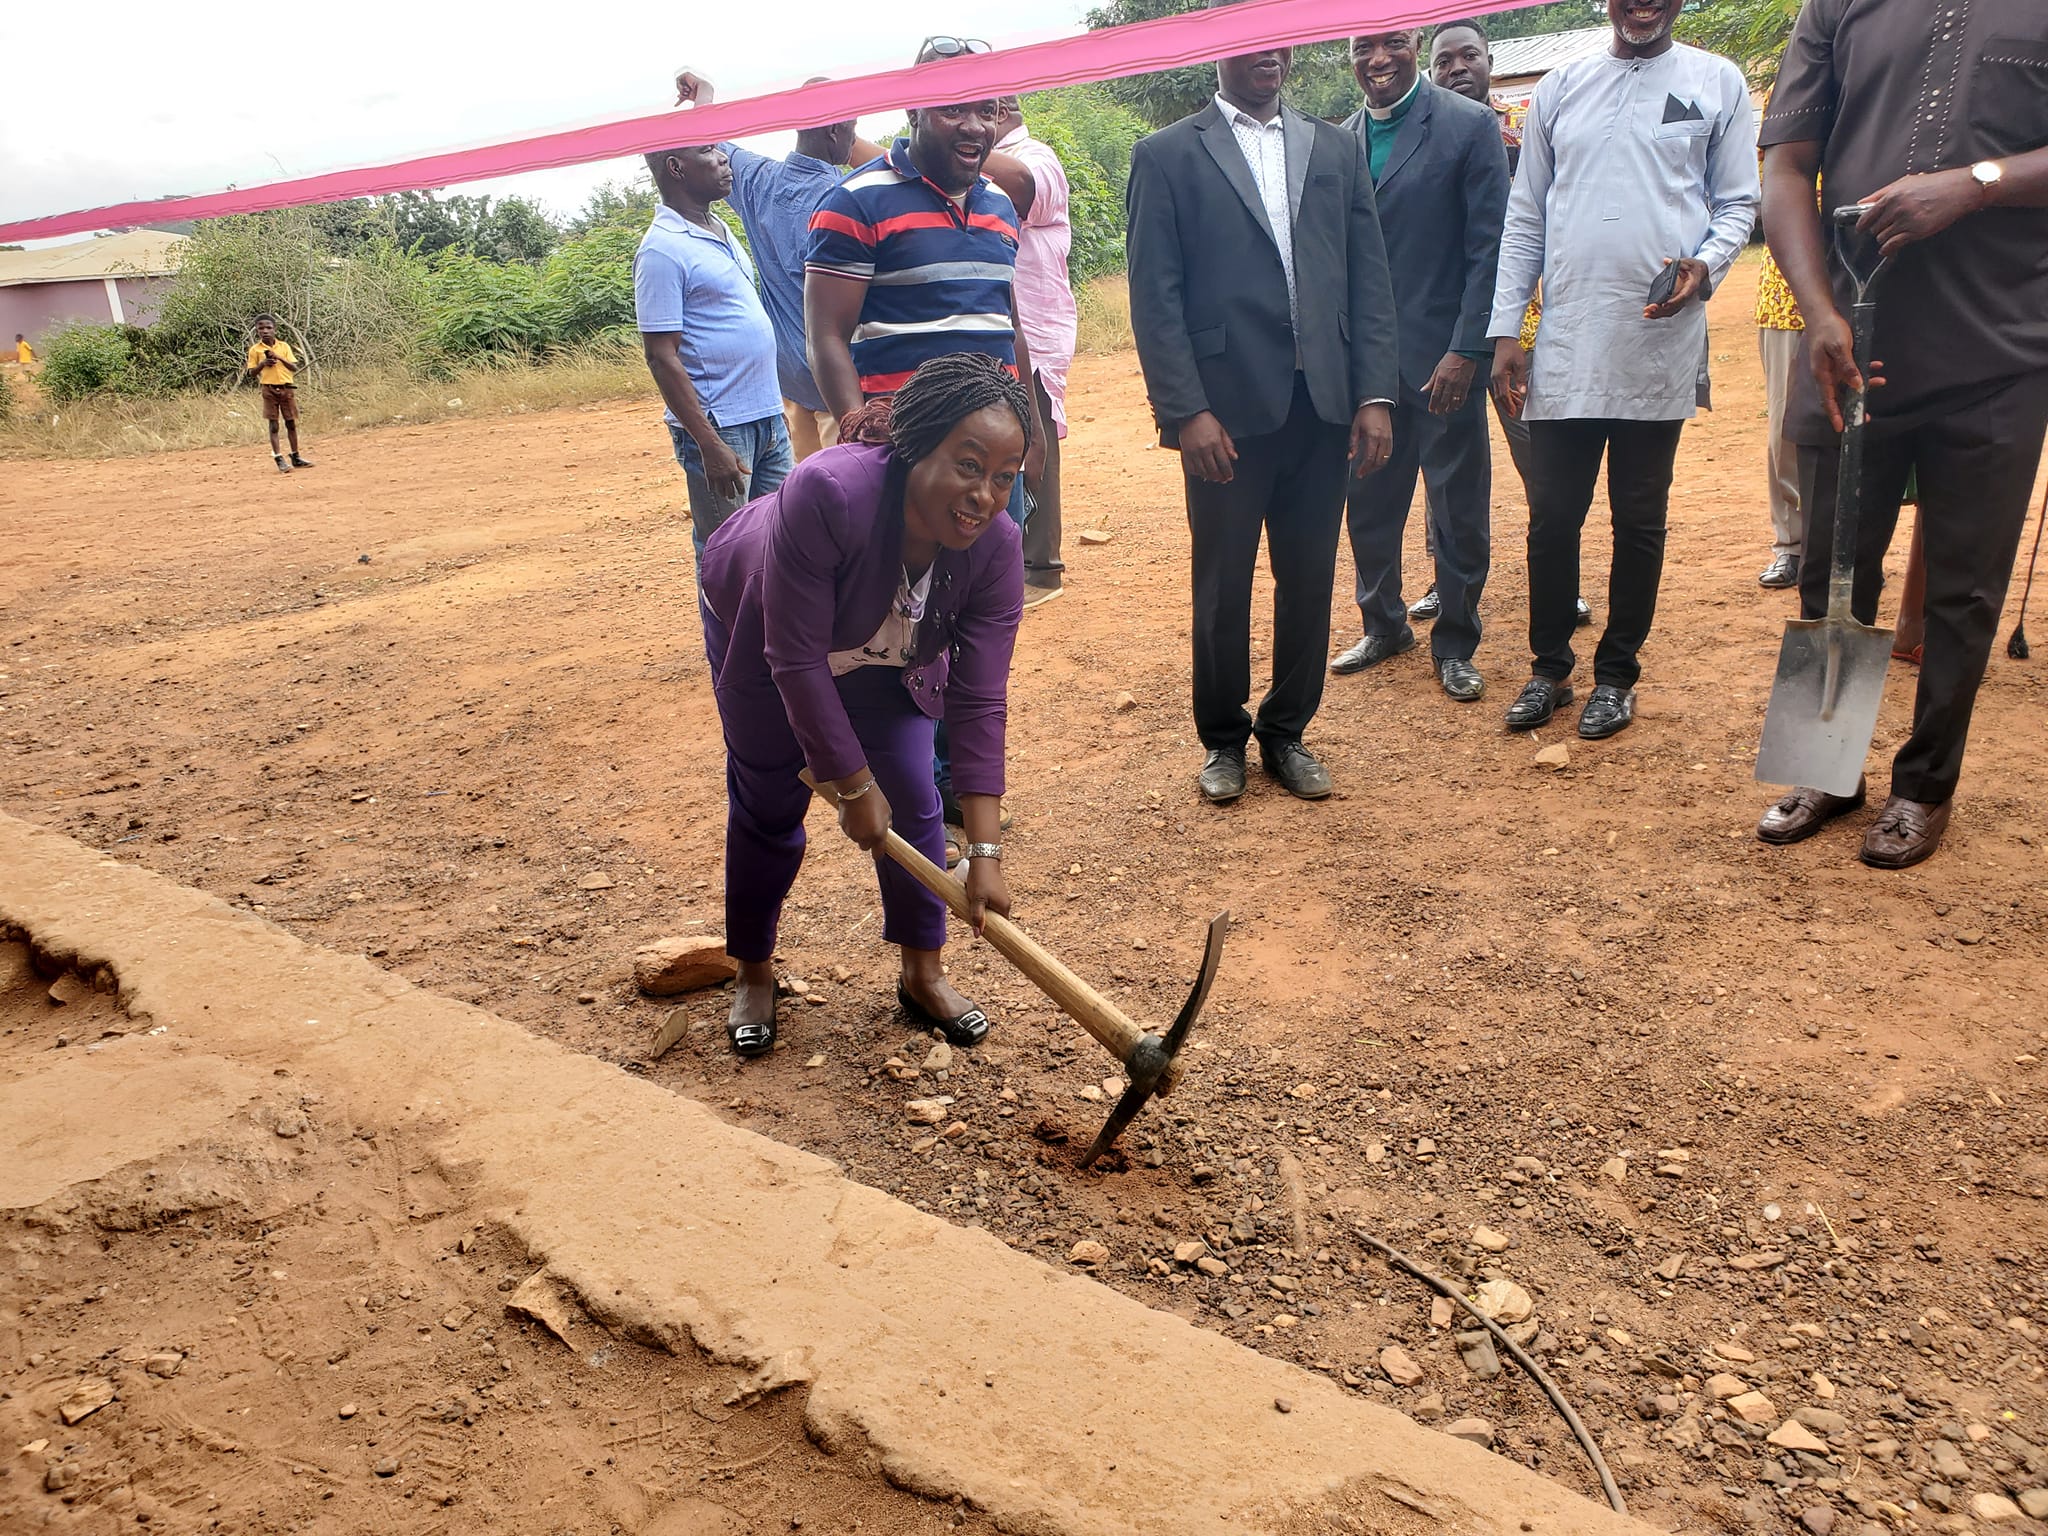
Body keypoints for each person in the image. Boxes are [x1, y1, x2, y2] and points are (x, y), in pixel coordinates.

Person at [1752, 0, 2048, 869]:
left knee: (1963, 589)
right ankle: (1825, 767)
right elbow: (1787, 165)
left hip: (2004, 344)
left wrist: (1976, 183)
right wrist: (1817, 312)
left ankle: (1924, 788)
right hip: (1851, 342)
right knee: (1830, 572)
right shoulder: (1837, 5)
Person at [697, 354, 1030, 1056]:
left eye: (1004, 477)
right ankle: (753, 971)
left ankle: (921, 972)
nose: (985, 495)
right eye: (968, 465)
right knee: (766, 804)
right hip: (767, 631)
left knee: (912, 797)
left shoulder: (995, 549)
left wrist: (988, 851)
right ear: (916, 449)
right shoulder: (828, 494)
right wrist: (850, 784)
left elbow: (980, 699)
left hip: (888, 656)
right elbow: (792, 658)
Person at [1126, 1, 1398, 805]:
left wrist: (1374, 394)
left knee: (1309, 576)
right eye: (1250, 44)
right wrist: (1186, 412)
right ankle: (1222, 739)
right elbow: (1155, 295)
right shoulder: (1168, 154)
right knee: (1222, 582)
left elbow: (1368, 278)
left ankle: (1287, 731)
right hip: (1226, 415)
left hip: (1323, 408)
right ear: (1215, 53)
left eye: (1279, 41)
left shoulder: (1334, 146)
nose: (1269, 56)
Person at [1487, 0, 1757, 740]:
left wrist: (1704, 266)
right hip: (1569, 339)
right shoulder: (1561, 86)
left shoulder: (1717, 81)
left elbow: (1737, 202)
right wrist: (1506, 328)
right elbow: (1526, 214)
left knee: (1640, 517)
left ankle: (1616, 676)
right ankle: (1549, 670)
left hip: (1655, 341)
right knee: (1552, 518)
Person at [805, 65, 1047, 839]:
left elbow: (1007, 322)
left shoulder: (1002, 206)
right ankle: (910, 782)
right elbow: (827, 336)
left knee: (969, 617)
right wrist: (854, 430)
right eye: (953, 109)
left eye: (985, 106)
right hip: (907, 459)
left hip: (989, 455)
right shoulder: (854, 200)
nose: (973, 124)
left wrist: (1032, 423)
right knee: (903, 617)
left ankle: (956, 785)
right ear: (914, 110)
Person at [1330, 30, 1508, 703]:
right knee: (1368, 500)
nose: (1377, 60)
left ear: (1413, 47)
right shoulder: (1339, 139)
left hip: (1444, 362)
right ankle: (1384, 624)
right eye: (1360, 49)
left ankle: (1456, 640)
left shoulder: (1467, 126)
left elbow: (1489, 247)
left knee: (1458, 506)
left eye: (1391, 44)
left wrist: (1470, 349)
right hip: (1364, 370)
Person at [1429, 20, 1594, 635]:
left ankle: (1561, 584)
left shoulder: (1527, 134)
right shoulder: (1427, 136)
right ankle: (1441, 583)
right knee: (1442, 463)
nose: (1456, 69)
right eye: (1443, 61)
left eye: (1468, 56)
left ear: (1489, 61)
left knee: (1541, 459)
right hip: (1449, 330)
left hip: (1518, 330)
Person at [671, 69, 883, 461]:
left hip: (788, 383)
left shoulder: (757, 181)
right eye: (852, 128)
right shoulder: (844, 200)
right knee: (854, 501)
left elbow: (703, 138)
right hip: (841, 394)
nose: (854, 139)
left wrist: (706, 96)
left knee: (807, 501)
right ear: (835, 131)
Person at [634, 141, 792, 564]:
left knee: (780, 543)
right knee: (729, 554)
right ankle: (726, 634)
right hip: (721, 429)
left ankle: (766, 633)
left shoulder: (717, 228)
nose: (723, 157)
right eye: (707, 150)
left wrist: (776, 415)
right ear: (676, 167)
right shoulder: (662, 249)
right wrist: (708, 444)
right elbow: (660, 356)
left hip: (767, 419)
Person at [981, 95, 1079, 607]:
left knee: (1034, 440)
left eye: (979, 114)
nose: (971, 126)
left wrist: (959, 145)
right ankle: (1013, 560)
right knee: (1008, 438)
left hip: (1034, 331)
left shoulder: (1034, 156)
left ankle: (1041, 569)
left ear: (999, 112)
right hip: (1001, 327)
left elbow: (1025, 190)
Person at [1754, 245, 1804, 589]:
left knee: (1860, 425)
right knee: (1785, 429)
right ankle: (1793, 545)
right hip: (1787, 300)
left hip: (1861, 292)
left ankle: (1855, 547)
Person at [244, 315, 312, 474]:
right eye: (261, 328)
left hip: (287, 388)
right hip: (269, 389)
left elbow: (293, 367)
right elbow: (252, 373)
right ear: (256, 330)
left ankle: (295, 456)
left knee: (291, 422)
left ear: (275, 329)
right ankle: (279, 457)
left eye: (268, 328)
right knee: (273, 424)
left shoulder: (284, 346)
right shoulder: (255, 350)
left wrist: (278, 357)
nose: (265, 331)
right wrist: (263, 363)